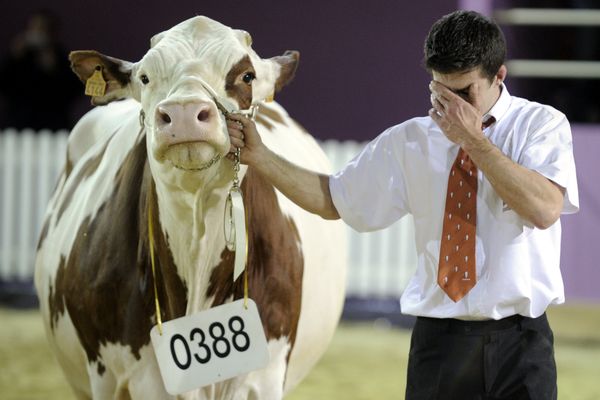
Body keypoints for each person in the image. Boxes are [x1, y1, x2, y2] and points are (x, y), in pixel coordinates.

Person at [227, 10, 578, 400]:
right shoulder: (409, 140)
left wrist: (473, 141)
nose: (450, 107)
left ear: (499, 76)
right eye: (440, 92)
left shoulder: (541, 125)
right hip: (440, 341)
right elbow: (332, 199)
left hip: (521, 342)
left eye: (463, 94)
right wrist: (259, 156)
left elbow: (544, 209)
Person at [0, 10, 81, 131]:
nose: (38, 33)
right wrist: (13, 57)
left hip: (52, 125)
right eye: (34, 28)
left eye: (43, 29)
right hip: (17, 125)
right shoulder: (20, 56)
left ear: (53, 33)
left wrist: (53, 67)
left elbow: (73, 91)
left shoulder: (62, 58)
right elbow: (5, 85)